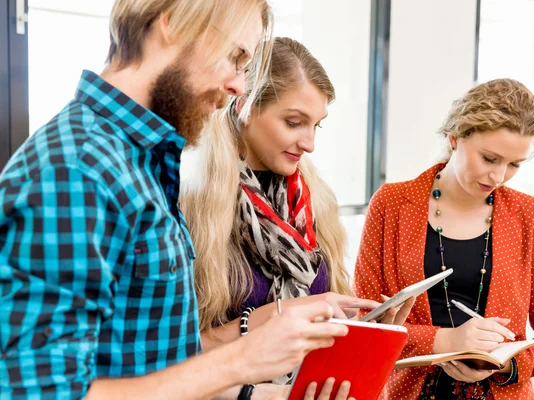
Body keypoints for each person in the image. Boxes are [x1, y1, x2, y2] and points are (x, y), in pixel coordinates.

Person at [0, 2, 352, 399]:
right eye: (236, 57)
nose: (240, 84)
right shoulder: (77, 169)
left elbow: (157, 362)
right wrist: (241, 359)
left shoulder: (143, 163)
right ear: (173, 24)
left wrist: (266, 392)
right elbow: (41, 393)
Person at [180, 37, 415, 398]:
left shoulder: (312, 199)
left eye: (316, 125)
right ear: (244, 105)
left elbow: (323, 321)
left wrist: (363, 334)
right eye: (293, 122)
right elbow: (169, 360)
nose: (309, 143)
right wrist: (269, 318)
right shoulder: (193, 204)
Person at [353, 79, 534, 400]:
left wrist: (505, 366)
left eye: (514, 164)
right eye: (489, 158)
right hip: (407, 392)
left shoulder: (530, 214)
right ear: (454, 137)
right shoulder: (391, 203)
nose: (498, 176)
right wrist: (447, 340)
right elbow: (366, 323)